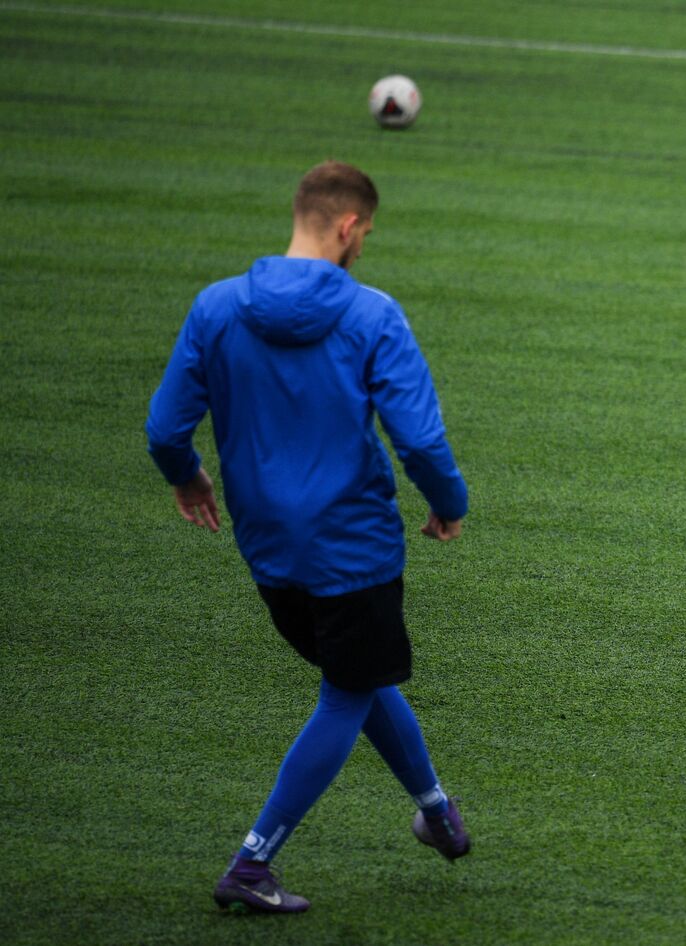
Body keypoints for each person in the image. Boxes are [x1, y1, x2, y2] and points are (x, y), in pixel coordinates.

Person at [146, 160, 473, 913]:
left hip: (266, 546)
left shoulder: (216, 306)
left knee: (360, 677)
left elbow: (166, 427)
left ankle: (436, 811)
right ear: (350, 227)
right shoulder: (373, 315)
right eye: (368, 235)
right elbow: (418, 441)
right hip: (352, 545)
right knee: (347, 687)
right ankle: (253, 862)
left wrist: (187, 474)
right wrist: (447, 501)